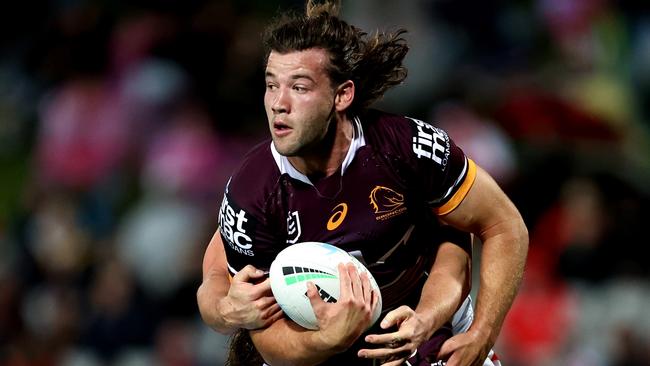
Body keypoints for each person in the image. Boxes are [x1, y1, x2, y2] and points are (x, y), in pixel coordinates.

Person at [196, 0, 528, 365]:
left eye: (300, 88)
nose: (279, 103)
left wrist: (480, 333)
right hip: (322, 351)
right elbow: (267, 341)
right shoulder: (252, 193)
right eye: (271, 85)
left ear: (342, 95)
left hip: (430, 330)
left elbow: (502, 226)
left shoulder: (407, 149)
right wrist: (328, 340)